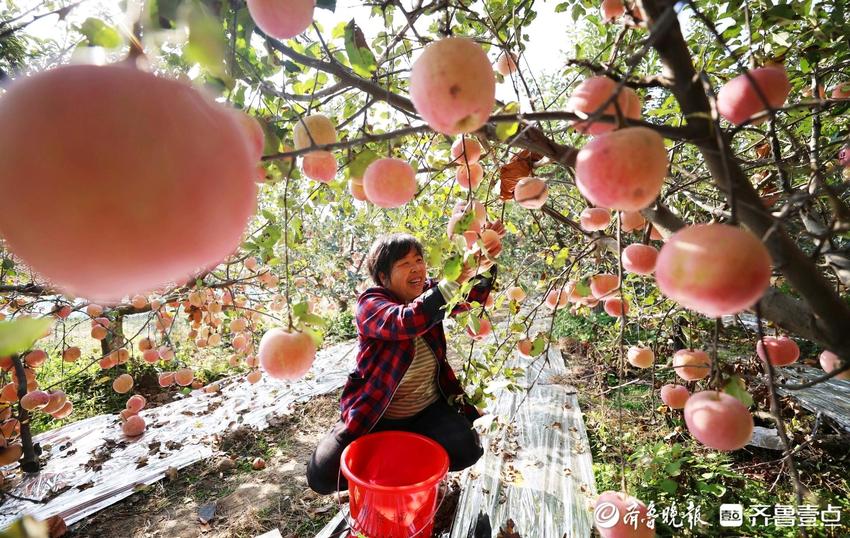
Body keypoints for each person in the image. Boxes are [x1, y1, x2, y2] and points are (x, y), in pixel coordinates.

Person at [306, 225, 502, 494]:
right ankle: (390, 462)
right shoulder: (371, 303)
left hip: (426, 410)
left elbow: (471, 299)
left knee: (467, 450)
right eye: (405, 263)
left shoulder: (431, 293)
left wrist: (483, 257)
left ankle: (410, 464)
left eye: (419, 261)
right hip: (375, 413)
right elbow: (405, 322)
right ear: (384, 277)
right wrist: (452, 283)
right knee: (323, 477)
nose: (417, 269)